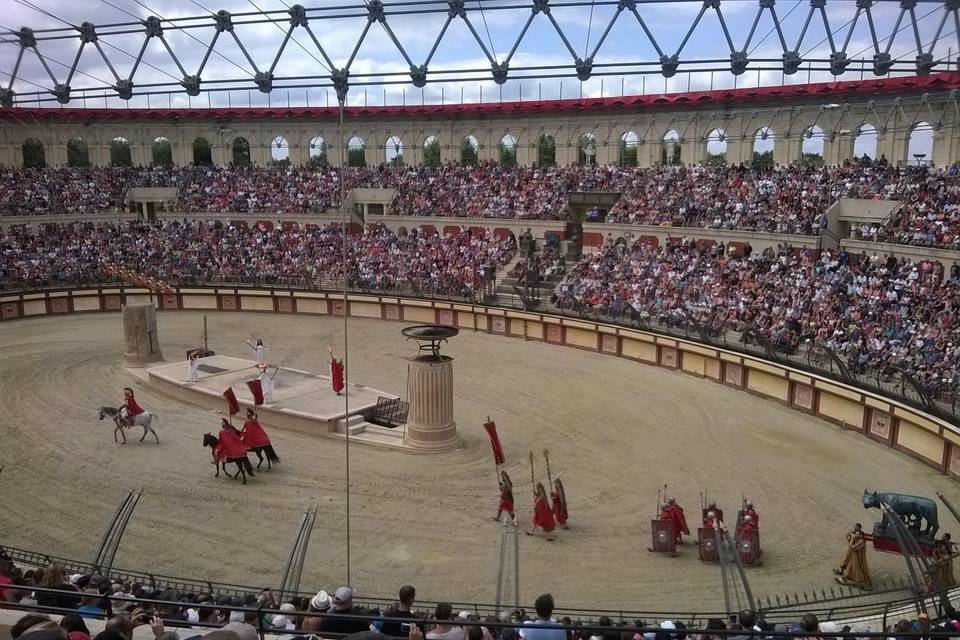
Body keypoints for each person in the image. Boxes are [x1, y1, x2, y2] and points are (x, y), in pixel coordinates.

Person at [835, 523, 872, 589]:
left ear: (859, 528)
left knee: (858, 569)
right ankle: (844, 577)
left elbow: (853, 547)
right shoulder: (853, 533)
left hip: (858, 557)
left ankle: (865, 583)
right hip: (852, 555)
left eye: (856, 527)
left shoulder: (862, 539)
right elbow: (847, 537)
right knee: (849, 566)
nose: (854, 527)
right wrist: (850, 537)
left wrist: (852, 538)